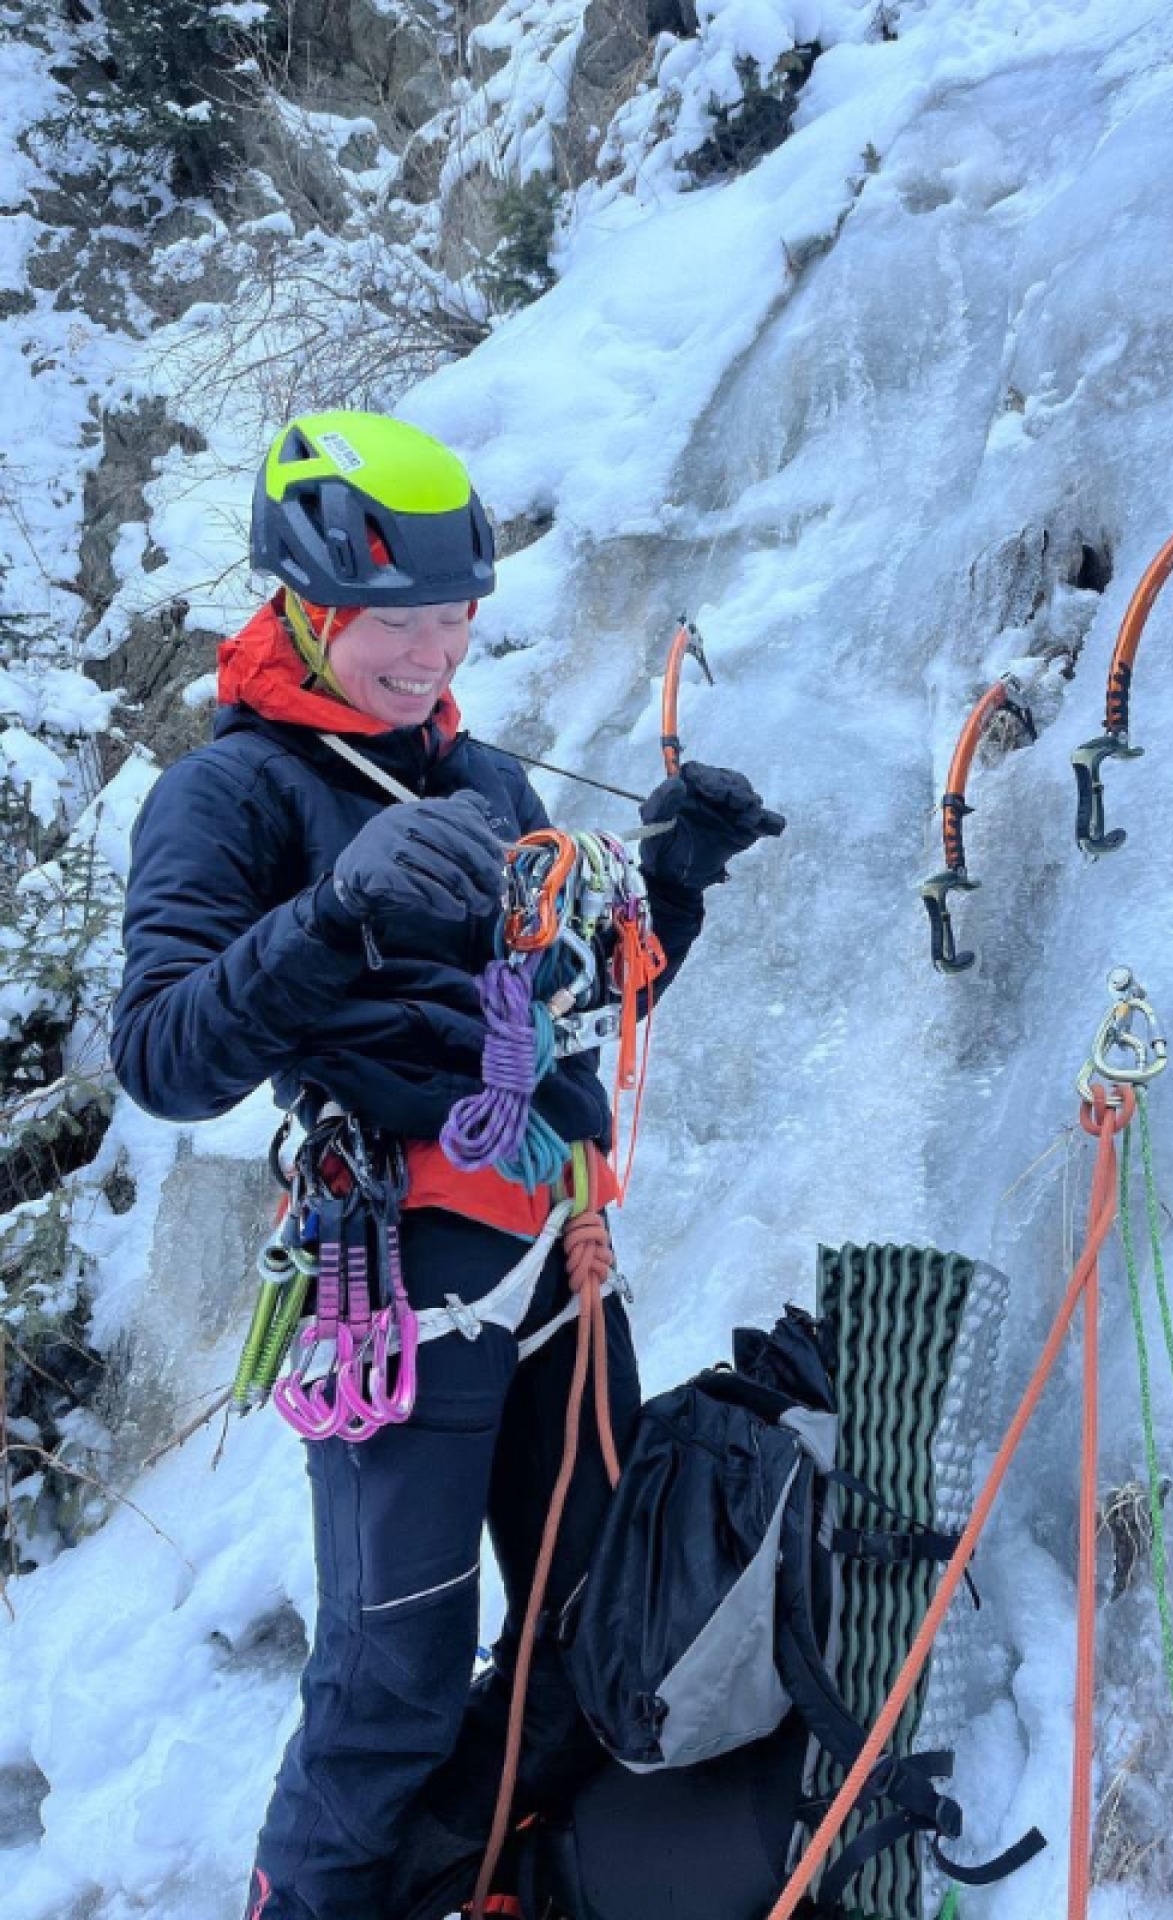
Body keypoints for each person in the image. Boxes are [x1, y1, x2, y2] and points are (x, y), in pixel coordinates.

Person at [108, 410, 785, 1920]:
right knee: (391, 1677)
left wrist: (671, 885)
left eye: (455, 620)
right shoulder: (232, 797)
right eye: (396, 625)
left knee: (584, 1616)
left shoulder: (482, 776)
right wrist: (330, 916)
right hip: (396, 1284)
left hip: (555, 1251)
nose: (431, 654)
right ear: (304, 604)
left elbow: (563, 1004)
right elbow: (161, 1053)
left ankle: (476, 1884)